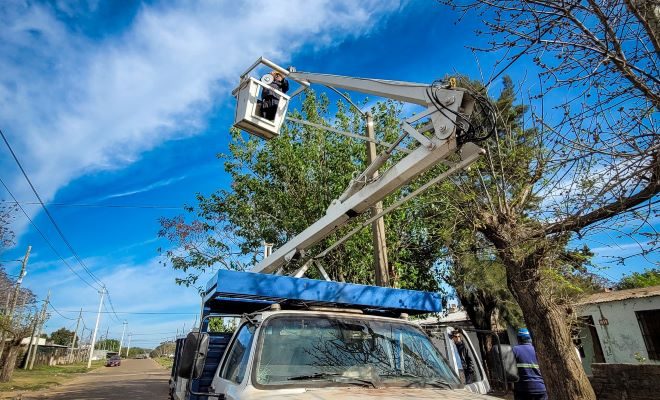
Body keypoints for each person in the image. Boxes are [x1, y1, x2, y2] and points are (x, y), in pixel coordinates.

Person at [512, 328, 547, 400]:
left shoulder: (514, 350)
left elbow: (510, 371)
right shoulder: (539, 350)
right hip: (541, 389)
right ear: (530, 338)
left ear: (519, 338)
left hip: (523, 389)